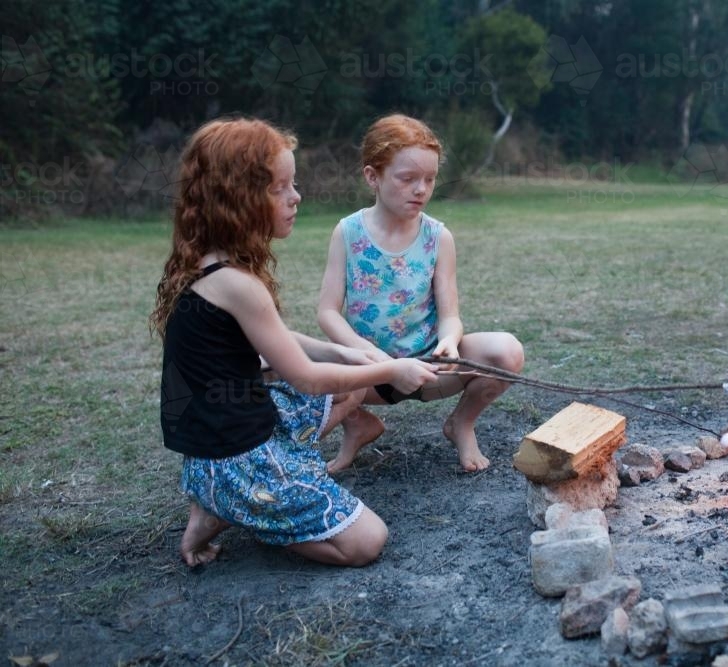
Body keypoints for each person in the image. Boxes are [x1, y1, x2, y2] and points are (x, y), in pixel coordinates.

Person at [151, 117, 438, 568]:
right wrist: (391, 370)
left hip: (219, 441)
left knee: (350, 384)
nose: (296, 197)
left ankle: (228, 497)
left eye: (293, 184)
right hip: (235, 458)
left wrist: (343, 351)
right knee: (366, 542)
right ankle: (239, 507)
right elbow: (305, 379)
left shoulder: (207, 264)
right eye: (279, 188)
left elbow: (277, 341)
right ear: (238, 199)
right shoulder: (238, 285)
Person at [318, 114, 524, 473]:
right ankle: (358, 424)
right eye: (407, 179)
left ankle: (461, 423)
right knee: (304, 383)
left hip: (430, 368)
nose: (421, 189)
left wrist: (449, 341)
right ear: (373, 177)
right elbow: (327, 313)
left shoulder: (438, 237)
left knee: (507, 352)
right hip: (369, 373)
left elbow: (449, 315)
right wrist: (376, 360)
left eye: (429, 179)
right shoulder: (347, 232)